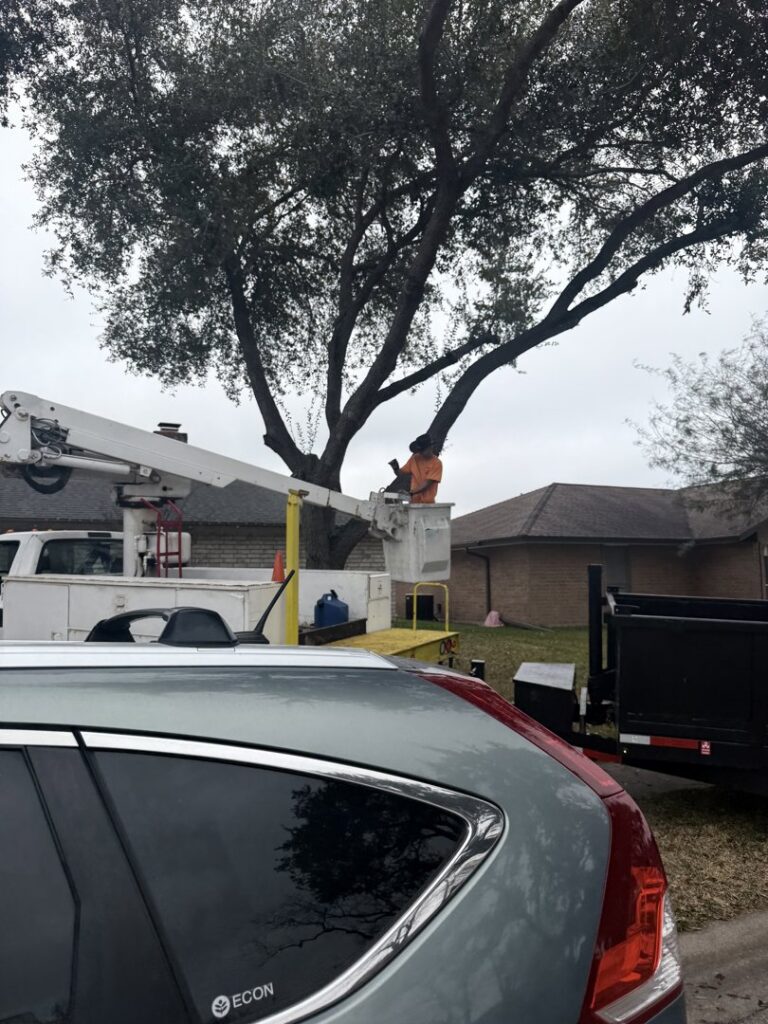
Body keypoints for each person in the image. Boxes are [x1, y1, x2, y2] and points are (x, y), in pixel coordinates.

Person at [388, 433, 443, 504]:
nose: (420, 453)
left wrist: (410, 493)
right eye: (420, 451)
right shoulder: (415, 458)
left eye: (422, 450)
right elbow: (400, 474)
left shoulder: (437, 463)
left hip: (428, 504)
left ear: (430, 447)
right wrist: (395, 467)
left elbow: (427, 484)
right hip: (413, 502)